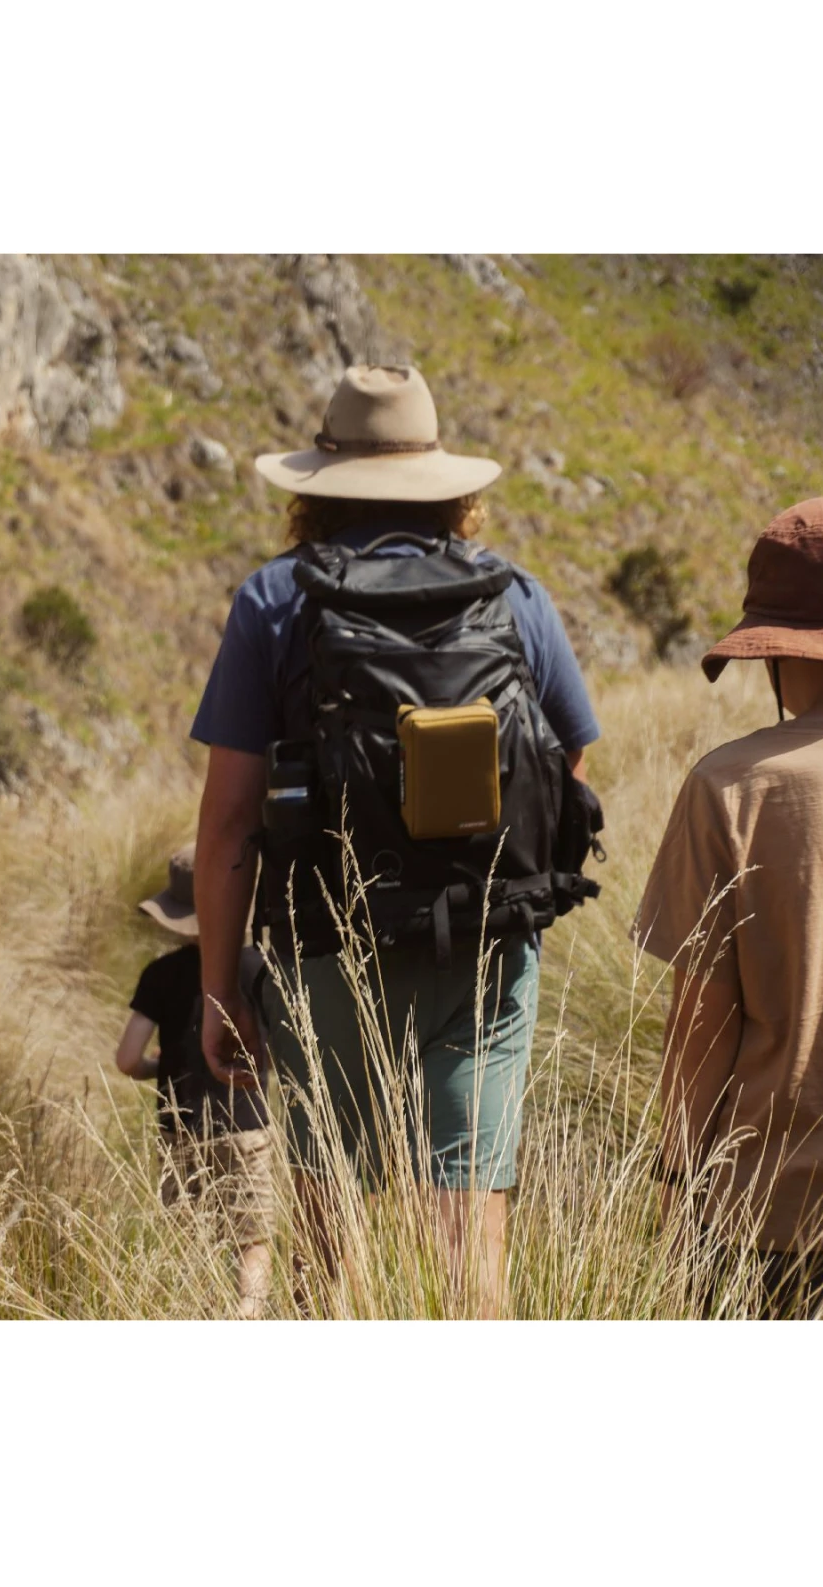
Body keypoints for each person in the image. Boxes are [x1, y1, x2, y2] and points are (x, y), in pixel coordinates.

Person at [191, 364, 601, 1316]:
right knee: (469, 1257)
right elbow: (568, 765)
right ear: (446, 484)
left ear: (319, 486)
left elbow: (228, 823)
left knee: (326, 1256)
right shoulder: (515, 595)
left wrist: (219, 990)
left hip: (328, 948)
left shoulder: (275, 600)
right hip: (486, 948)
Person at [636, 496, 823, 1319]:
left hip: (770, 1224)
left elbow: (701, 1030)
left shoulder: (730, 787)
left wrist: (676, 1187)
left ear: (776, 651)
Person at [114, 844, 275, 1317]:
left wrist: (155, 1068)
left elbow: (127, 1058)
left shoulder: (159, 974)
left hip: (179, 1130)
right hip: (246, 1127)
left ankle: (201, 1316)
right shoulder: (255, 966)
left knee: (192, 1243)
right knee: (252, 1240)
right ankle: (249, 1314)